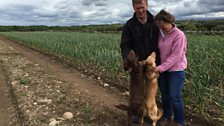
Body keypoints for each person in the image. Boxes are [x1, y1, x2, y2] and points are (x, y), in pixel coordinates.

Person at [154, 10, 187, 126]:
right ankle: (167, 116)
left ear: (171, 21)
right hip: (163, 70)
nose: (162, 29)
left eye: (164, 26)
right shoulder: (160, 33)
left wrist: (160, 68)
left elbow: (176, 56)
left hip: (176, 70)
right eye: (160, 27)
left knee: (175, 96)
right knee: (165, 94)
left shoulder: (179, 35)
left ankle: (180, 121)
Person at [120, 0, 160, 65]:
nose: (140, 11)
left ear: (147, 6)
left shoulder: (156, 22)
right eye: (138, 8)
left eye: (142, 7)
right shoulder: (128, 25)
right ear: (133, 7)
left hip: (155, 64)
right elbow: (125, 46)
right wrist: (128, 61)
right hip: (137, 66)